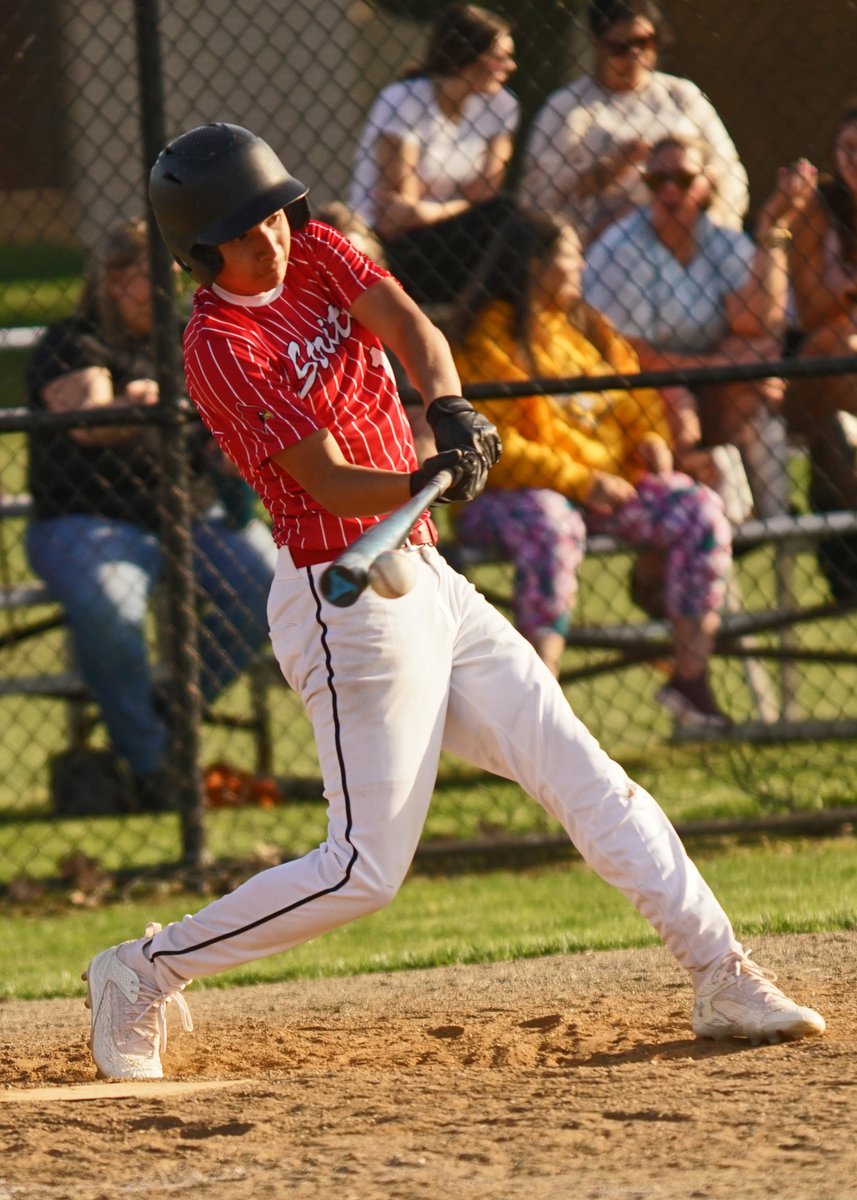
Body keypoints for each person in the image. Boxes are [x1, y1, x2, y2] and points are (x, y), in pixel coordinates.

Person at [83, 123, 824, 1082]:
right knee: (363, 871)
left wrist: (448, 410)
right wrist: (426, 478)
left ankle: (721, 973)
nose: (269, 236)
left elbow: (411, 329)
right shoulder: (218, 345)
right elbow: (325, 482)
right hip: (340, 597)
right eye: (243, 228)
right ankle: (140, 970)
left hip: (425, 575)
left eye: (271, 214)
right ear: (200, 245)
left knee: (584, 773)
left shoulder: (314, 249)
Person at [26, 218, 278, 811]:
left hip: (188, 517)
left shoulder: (186, 340)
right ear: (114, 281)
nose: (172, 289)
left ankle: (156, 716)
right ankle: (154, 769)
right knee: (111, 607)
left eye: (176, 276)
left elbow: (225, 423)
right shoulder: (72, 340)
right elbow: (89, 421)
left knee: (267, 583)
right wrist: (136, 400)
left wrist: (227, 445)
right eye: (153, 276)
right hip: (86, 522)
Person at [449, 209, 732, 725]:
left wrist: (649, 438)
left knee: (698, 509)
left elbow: (635, 397)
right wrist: (580, 480)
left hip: (604, 489)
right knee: (551, 522)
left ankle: (690, 680)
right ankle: (539, 708)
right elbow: (497, 446)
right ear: (535, 266)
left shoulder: (587, 327)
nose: (581, 265)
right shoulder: (489, 338)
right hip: (511, 499)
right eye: (570, 254)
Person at [583, 135, 816, 518]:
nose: (670, 190)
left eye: (684, 180)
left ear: (708, 185)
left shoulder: (717, 238)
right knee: (678, 399)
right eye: (658, 182)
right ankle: (710, 520)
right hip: (633, 390)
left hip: (704, 380)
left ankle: (770, 527)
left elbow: (761, 324)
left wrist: (774, 225)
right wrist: (723, 364)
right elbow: (630, 356)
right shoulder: (622, 248)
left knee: (753, 392)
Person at [518, 0, 748, 247]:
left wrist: (710, 225)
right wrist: (608, 171)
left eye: (645, 42)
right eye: (620, 47)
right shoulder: (566, 107)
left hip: (686, 234)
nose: (635, 54)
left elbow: (728, 170)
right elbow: (536, 196)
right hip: (599, 241)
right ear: (596, 44)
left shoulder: (681, 96)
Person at [348, 2, 519, 304]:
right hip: (392, 246)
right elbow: (396, 219)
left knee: (508, 216)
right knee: (502, 214)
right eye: (500, 58)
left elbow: (487, 194)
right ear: (468, 55)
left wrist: (433, 209)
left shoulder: (501, 106)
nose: (511, 67)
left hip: (449, 237)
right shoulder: (405, 100)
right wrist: (464, 203)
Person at [784, 106, 857, 521]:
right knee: (845, 340)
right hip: (812, 365)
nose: (855, 159)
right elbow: (813, 315)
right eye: (847, 148)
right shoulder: (819, 208)